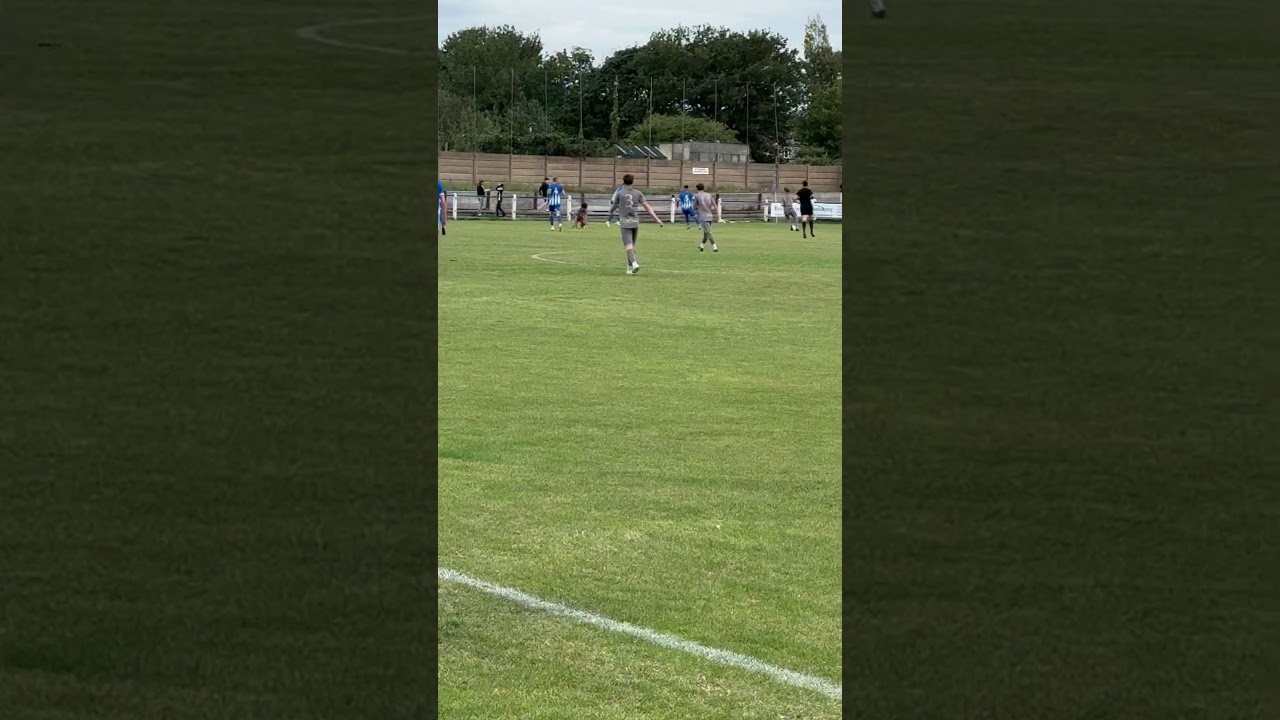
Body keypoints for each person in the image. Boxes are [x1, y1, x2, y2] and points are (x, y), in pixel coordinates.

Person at [610, 173, 664, 274]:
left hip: (625, 222)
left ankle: (634, 263)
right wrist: (657, 219)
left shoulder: (620, 193)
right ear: (633, 181)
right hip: (635, 222)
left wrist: (611, 210)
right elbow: (647, 207)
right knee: (631, 246)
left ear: (623, 182)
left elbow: (614, 205)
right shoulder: (638, 193)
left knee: (628, 245)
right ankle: (630, 267)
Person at [694, 183, 718, 252]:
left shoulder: (697, 196)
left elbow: (694, 207)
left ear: (697, 189)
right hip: (710, 215)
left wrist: (698, 209)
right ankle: (701, 246)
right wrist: (717, 214)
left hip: (703, 216)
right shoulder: (709, 195)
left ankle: (715, 247)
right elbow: (714, 205)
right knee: (706, 233)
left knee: (708, 232)